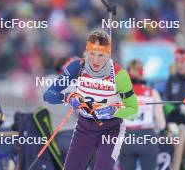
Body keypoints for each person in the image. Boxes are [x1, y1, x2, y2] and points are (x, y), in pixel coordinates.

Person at [43, 30, 138, 170]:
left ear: (108, 54)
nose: (95, 60)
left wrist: (113, 111)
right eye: (92, 54)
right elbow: (49, 95)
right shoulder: (77, 67)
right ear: (86, 51)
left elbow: (133, 111)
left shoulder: (119, 75)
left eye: (101, 55)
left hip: (111, 128)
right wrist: (68, 98)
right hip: (85, 126)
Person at [119, 59, 166, 170]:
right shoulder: (152, 92)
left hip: (126, 138)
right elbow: (161, 124)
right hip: (147, 137)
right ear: (142, 73)